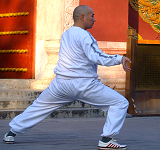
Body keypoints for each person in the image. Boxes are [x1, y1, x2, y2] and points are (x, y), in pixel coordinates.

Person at [3, 5, 131, 149]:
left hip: (61, 84)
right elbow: (96, 56)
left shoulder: (67, 33)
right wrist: (119, 59)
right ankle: (107, 139)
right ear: (82, 17)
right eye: (92, 16)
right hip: (83, 84)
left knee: (39, 107)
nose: (94, 19)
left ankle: (11, 132)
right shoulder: (84, 35)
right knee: (120, 103)